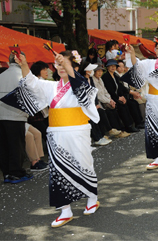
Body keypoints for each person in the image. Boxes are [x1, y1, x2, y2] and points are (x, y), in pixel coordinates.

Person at [12, 51, 101, 227]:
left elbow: (81, 89)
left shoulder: (82, 83)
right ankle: (65, 210)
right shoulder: (51, 86)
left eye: (64, 64)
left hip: (77, 131)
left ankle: (92, 197)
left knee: (84, 164)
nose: (60, 68)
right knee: (58, 171)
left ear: (74, 67)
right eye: (58, 65)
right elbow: (31, 84)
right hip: (56, 133)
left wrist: (68, 66)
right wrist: (23, 64)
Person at [122, 42, 158, 170]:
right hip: (152, 98)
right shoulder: (149, 63)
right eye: (157, 48)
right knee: (152, 129)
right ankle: (157, 158)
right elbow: (136, 66)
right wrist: (131, 53)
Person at [0, 54, 33, 184]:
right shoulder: (23, 76)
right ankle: (16, 172)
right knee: (16, 146)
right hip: (16, 116)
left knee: (3, 146)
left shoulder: (2, 75)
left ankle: (7, 173)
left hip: (0, 116)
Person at [101, 59, 141, 133]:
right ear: (107, 67)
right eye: (111, 66)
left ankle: (137, 123)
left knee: (131, 103)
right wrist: (118, 98)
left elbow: (121, 87)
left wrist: (122, 96)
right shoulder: (106, 77)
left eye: (114, 66)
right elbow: (110, 90)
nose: (113, 67)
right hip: (111, 97)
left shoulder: (115, 76)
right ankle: (128, 126)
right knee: (122, 106)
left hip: (118, 96)